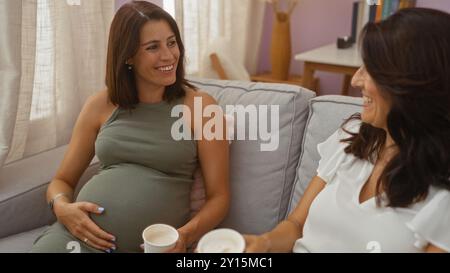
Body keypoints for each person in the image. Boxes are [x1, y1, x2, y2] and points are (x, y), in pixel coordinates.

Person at [245, 7, 450, 253]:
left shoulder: (442, 199)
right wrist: (264, 244)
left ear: (410, 86)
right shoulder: (351, 137)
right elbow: (296, 225)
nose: (355, 80)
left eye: (370, 70)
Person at [31, 1, 230, 253]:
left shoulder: (201, 107)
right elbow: (61, 181)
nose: (169, 55)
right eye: (152, 47)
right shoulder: (99, 105)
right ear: (128, 56)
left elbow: (220, 198)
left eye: (171, 42)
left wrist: (185, 236)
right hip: (73, 241)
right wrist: (63, 208)